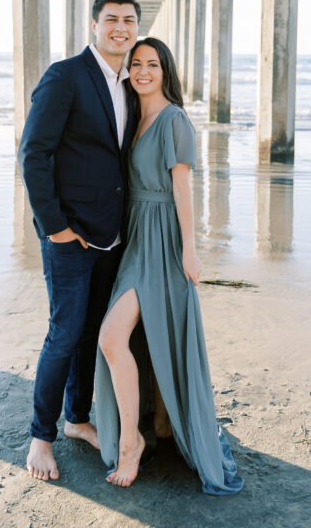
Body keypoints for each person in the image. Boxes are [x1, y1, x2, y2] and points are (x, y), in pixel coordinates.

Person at [95, 37, 244, 495]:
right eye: (136, 64)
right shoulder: (135, 119)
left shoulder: (175, 119)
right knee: (124, 340)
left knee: (112, 337)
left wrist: (190, 250)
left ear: (166, 71)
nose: (142, 71)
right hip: (136, 239)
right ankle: (144, 428)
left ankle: (130, 443)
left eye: (152, 65)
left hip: (161, 243)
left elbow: (183, 189)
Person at [17, 0, 141, 481]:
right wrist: (57, 229)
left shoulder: (128, 82)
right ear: (94, 25)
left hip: (111, 237)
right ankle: (40, 438)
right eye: (111, 19)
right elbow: (33, 154)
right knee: (64, 334)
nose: (120, 29)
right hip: (71, 237)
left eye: (129, 21)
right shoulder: (65, 76)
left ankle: (77, 419)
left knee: (91, 334)